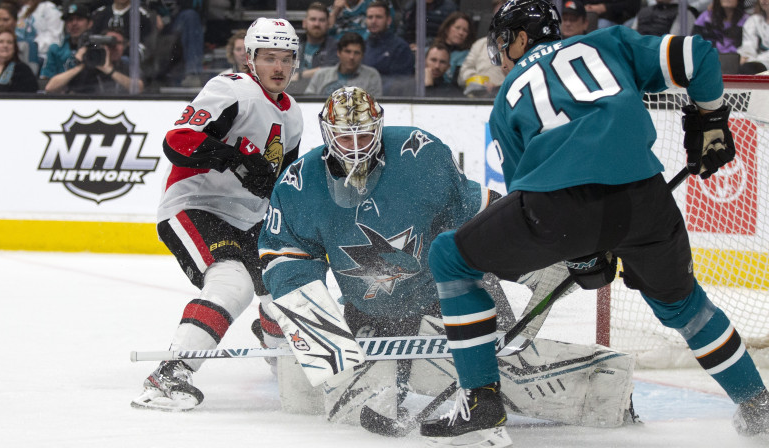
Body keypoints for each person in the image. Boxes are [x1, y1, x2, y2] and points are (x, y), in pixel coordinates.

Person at [421, 0, 769, 445]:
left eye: (506, 40)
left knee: (449, 258)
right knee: (684, 307)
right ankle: (757, 405)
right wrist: (711, 120)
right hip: (644, 199)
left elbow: (527, 197)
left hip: (558, 208)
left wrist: (582, 251)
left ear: (523, 38)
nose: (503, 51)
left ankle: (481, 401)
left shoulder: (506, 101)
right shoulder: (609, 42)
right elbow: (698, 54)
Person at [258, 86, 638, 430]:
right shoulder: (300, 184)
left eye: (363, 133)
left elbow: (477, 216)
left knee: (500, 376)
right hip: (370, 312)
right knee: (350, 408)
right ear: (327, 133)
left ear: (380, 127)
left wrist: (555, 246)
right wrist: (321, 337)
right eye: (344, 135)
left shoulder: (418, 154)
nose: (355, 146)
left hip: (451, 295)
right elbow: (287, 263)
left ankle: (603, 386)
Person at [130, 17, 303, 412]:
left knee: (284, 283)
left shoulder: (293, 114)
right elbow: (178, 140)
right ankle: (170, 373)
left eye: (286, 59)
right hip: (195, 205)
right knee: (232, 283)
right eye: (269, 58)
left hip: (251, 217)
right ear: (250, 59)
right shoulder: (231, 89)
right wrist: (236, 159)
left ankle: (278, 349)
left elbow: (284, 180)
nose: (278, 68)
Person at [43, 27, 144, 94]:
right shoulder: (85, 67)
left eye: (118, 43)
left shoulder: (127, 65)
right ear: (101, 45)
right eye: (109, 44)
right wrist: (81, 65)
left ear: (124, 46)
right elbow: (50, 88)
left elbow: (139, 88)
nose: (114, 48)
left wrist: (109, 70)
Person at [305, 32, 382, 97]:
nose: (352, 57)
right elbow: (308, 103)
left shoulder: (372, 76)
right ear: (338, 52)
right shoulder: (321, 75)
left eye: (356, 53)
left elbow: (375, 106)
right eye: (347, 52)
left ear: (362, 55)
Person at [287, 2, 339, 94]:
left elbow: (328, 70)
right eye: (313, 19)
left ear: (328, 24)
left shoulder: (335, 46)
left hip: (321, 95)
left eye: (321, 20)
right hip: (292, 92)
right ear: (304, 23)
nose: (317, 24)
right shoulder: (292, 44)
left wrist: (300, 75)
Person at [363, 0, 414, 94]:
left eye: (378, 17)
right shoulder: (362, 46)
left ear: (388, 20)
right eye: (370, 17)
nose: (373, 21)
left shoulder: (400, 48)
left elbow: (400, 83)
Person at [458, 0, 506, 98]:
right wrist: (480, 83)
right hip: (478, 100)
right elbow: (464, 72)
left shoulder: (522, 46)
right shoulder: (480, 44)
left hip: (506, 99)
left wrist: (497, 87)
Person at [40, 3, 94, 82]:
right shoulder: (56, 49)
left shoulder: (97, 47)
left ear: (89, 23)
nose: (74, 23)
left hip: (92, 91)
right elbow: (46, 80)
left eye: (79, 19)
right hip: (62, 92)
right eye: (70, 20)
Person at [15, 0, 63, 68]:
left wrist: (33, 47)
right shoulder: (21, 10)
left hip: (40, 57)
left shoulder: (49, 8)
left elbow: (55, 39)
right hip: (18, 54)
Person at [432, 11, 475, 87]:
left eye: (465, 30)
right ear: (447, 28)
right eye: (457, 28)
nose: (461, 33)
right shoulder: (432, 50)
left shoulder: (468, 55)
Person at [631, 0, 697, 36]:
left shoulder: (684, 13)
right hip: (637, 52)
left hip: (661, 54)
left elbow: (674, 43)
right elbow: (632, 36)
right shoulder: (644, 11)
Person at [737, 0, 769, 73]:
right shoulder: (754, 20)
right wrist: (747, 57)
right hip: (756, 65)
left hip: (763, 62)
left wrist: (756, 60)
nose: (764, 0)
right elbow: (748, 48)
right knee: (747, 68)